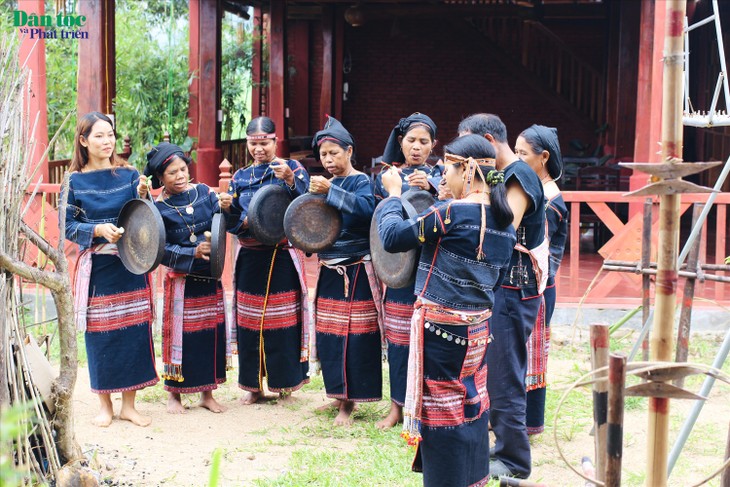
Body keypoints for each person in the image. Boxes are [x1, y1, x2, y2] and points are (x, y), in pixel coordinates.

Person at [377, 134, 517, 487]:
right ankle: (474, 479)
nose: (443, 179)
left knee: (441, 414)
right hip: (478, 330)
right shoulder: (506, 222)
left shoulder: (451, 213)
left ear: (467, 169)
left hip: (440, 330)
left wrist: (394, 195)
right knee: (471, 404)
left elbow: (392, 237)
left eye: (448, 170)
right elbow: (496, 283)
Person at [458, 113, 547, 479]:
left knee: (504, 377)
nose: (470, 164)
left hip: (514, 288)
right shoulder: (504, 175)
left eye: (474, 153)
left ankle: (514, 461)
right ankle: (500, 451)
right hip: (502, 287)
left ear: (490, 141)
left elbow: (504, 230)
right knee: (491, 373)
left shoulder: (520, 176)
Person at [63, 111, 158, 427]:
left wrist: (144, 195)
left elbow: (143, 216)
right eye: (99, 136)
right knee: (101, 334)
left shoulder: (129, 175)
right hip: (99, 267)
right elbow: (68, 226)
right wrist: (99, 230)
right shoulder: (74, 181)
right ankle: (104, 405)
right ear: (83, 141)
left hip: (131, 263)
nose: (107, 141)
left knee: (133, 330)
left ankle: (129, 405)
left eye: (110, 135)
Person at [143, 142, 232, 414]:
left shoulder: (205, 193)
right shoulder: (158, 210)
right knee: (178, 338)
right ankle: (174, 395)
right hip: (181, 281)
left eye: (182, 169)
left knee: (209, 334)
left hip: (209, 277)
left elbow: (219, 227)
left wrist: (226, 207)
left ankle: (207, 393)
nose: (180, 176)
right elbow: (158, 250)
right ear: (160, 179)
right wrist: (191, 252)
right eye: (172, 173)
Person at [227, 116, 311, 405]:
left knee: (283, 323)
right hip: (250, 255)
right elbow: (230, 216)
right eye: (253, 143)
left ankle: (284, 384)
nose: (259, 149)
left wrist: (289, 179)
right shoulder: (239, 177)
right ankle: (253, 387)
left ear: (276, 142)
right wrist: (245, 222)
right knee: (250, 322)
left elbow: (308, 203)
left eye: (264, 143)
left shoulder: (292, 169)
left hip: (281, 256)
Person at [308, 116, 382, 426]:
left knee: (355, 336)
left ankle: (349, 404)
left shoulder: (361, 181)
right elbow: (309, 221)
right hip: (329, 270)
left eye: (334, 153)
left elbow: (366, 212)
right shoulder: (320, 183)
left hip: (356, 273)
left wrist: (332, 192)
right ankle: (336, 394)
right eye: (323, 155)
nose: (328, 160)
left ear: (349, 152)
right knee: (330, 335)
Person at [373, 113, 440, 429]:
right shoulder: (387, 177)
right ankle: (397, 406)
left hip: (433, 266)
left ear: (433, 145)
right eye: (411, 140)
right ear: (400, 143)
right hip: (399, 267)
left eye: (423, 142)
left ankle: (427, 405)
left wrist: (433, 185)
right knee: (399, 340)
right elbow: (377, 221)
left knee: (430, 341)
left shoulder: (442, 173)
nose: (416, 147)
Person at [515, 125, 568, 436]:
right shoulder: (536, 192)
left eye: (523, 153)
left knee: (531, 353)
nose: (518, 159)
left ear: (543, 157)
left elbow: (541, 251)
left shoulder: (549, 201)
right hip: (531, 283)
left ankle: (528, 423)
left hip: (537, 285)